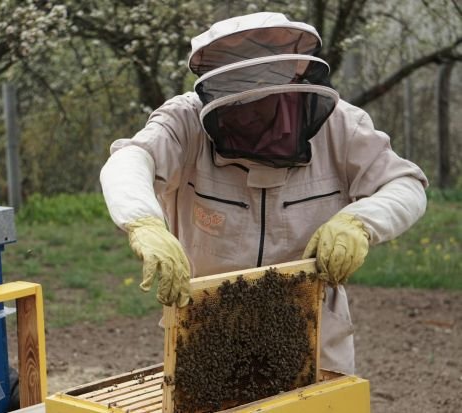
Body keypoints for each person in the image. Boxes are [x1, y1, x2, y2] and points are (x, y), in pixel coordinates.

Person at [99, 12, 427, 374]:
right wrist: (143, 222)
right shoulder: (184, 121)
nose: (251, 118)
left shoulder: (341, 126)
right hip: (207, 337)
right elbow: (130, 160)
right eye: (239, 107)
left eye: (261, 106)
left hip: (314, 337)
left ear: (292, 87)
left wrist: (359, 223)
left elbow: (405, 184)